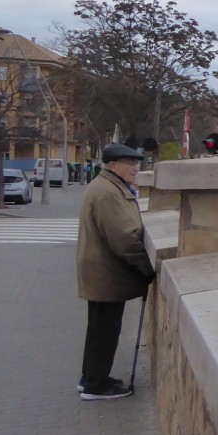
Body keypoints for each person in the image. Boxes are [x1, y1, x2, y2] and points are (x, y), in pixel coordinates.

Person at [75, 143, 156, 400]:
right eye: (130, 163)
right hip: (106, 273)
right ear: (112, 165)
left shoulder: (108, 186)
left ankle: (91, 376)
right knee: (105, 331)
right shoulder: (109, 192)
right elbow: (123, 237)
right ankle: (95, 386)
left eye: (137, 163)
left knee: (99, 328)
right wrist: (146, 268)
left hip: (102, 271)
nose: (136, 168)